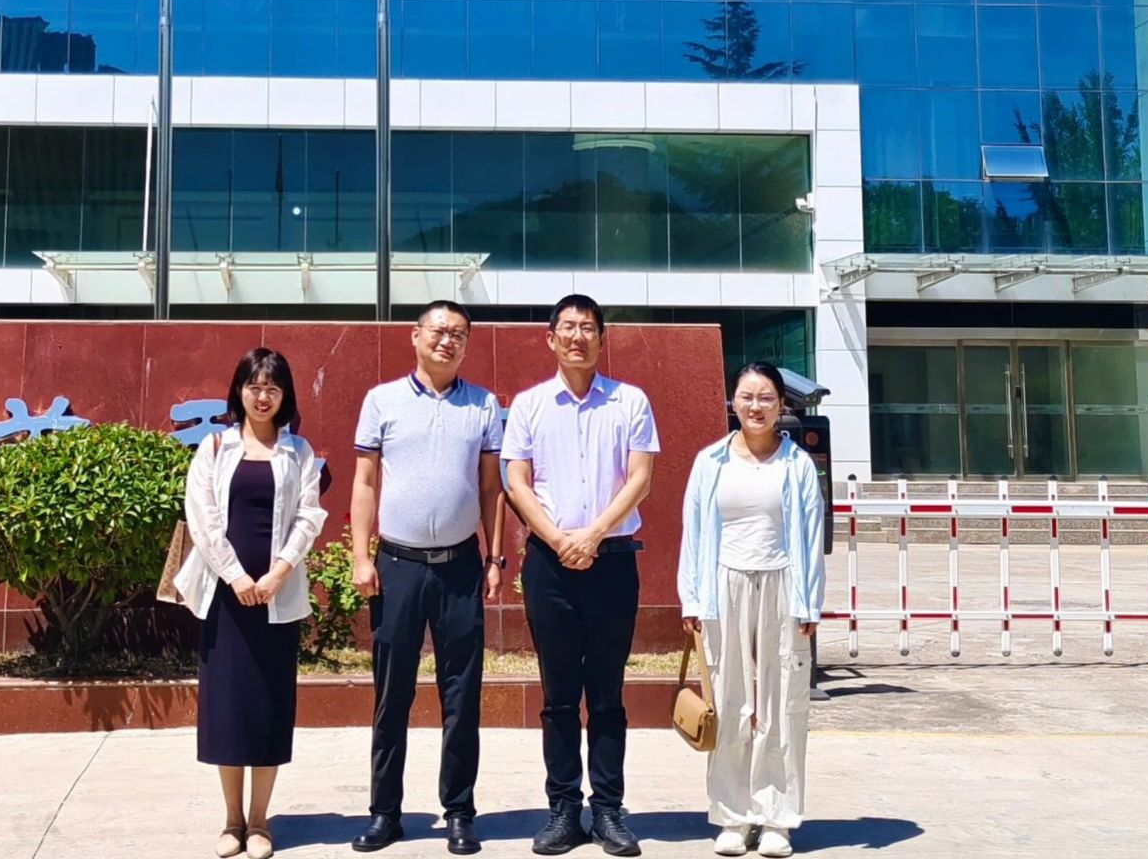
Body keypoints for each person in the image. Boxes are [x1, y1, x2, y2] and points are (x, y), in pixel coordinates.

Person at [502, 294, 659, 858]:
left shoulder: (630, 401)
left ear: (601, 338)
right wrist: (558, 538)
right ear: (551, 338)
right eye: (567, 327)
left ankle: (609, 809)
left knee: (608, 693)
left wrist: (592, 535)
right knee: (559, 696)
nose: (577, 336)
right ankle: (564, 809)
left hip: (612, 561)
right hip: (549, 565)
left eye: (587, 327)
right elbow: (517, 482)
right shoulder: (529, 405)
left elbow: (640, 479)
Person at [349, 300, 506, 856]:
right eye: (438, 330)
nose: (447, 340)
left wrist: (494, 559)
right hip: (398, 566)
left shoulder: (483, 404)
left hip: (460, 567)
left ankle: (459, 811)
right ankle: (385, 812)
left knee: (461, 696)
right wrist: (361, 557)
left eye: (458, 333)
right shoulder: (382, 400)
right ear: (415, 336)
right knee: (391, 695)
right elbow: (365, 482)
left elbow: (491, 488)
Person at [175, 348, 328, 859]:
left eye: (272, 388)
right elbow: (202, 517)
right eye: (254, 386)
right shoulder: (215, 447)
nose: (262, 397)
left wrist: (279, 571)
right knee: (228, 709)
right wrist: (237, 576)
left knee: (268, 707)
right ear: (238, 391)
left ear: (285, 396)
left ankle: (260, 821)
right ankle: (232, 820)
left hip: (276, 599)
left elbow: (309, 515)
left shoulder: (298, 451)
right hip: (226, 597)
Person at [677, 362, 825, 859]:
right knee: (730, 701)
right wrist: (692, 599)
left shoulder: (796, 465)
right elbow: (694, 533)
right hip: (724, 588)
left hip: (783, 586)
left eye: (766, 398)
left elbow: (811, 535)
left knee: (783, 705)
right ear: (733, 402)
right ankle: (733, 816)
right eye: (747, 396)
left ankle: (778, 817)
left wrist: (809, 603)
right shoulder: (710, 462)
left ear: (781, 405)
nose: (756, 406)